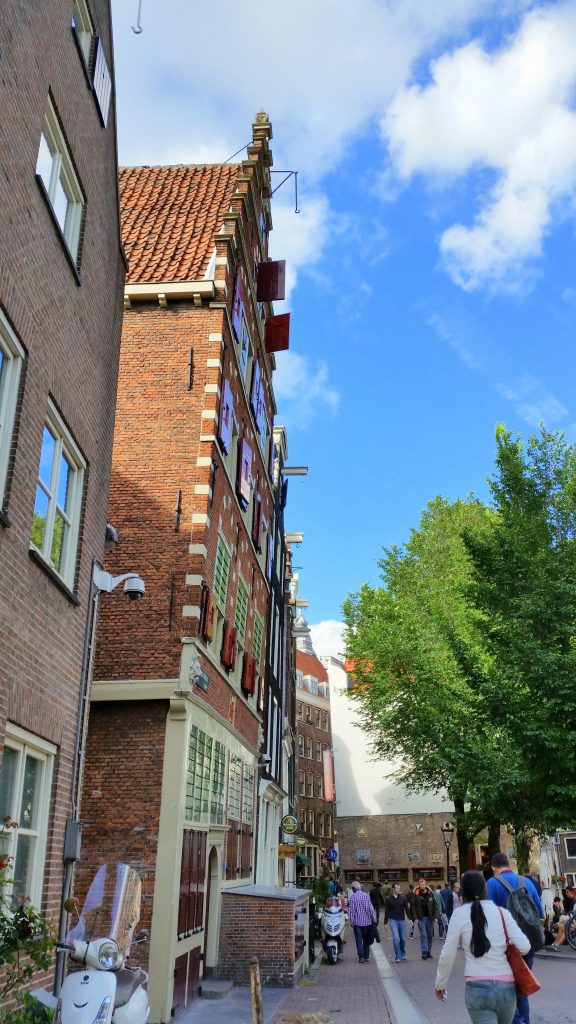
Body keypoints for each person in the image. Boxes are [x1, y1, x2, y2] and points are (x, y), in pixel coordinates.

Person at [434, 870, 530, 1024]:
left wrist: (440, 984)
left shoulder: (459, 915)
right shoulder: (502, 913)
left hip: (477, 987)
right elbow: (525, 946)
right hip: (506, 987)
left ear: (463, 891)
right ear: (485, 889)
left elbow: (448, 954)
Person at [486, 853, 544, 1024]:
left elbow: (489, 916)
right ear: (509, 864)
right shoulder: (527, 882)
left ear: (494, 868)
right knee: (522, 989)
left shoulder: (492, 883)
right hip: (528, 943)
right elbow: (539, 913)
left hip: (506, 947)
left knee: (506, 991)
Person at [348, 880, 377, 963]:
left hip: (357, 923)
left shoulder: (353, 897)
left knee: (358, 939)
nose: (352, 890)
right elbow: (370, 907)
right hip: (367, 922)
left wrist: (351, 921)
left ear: (354, 888)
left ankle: (361, 957)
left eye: (352, 889)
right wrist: (373, 917)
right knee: (366, 939)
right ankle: (366, 956)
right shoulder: (366, 896)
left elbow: (352, 910)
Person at [384, 883, 410, 963]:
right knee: (396, 938)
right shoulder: (389, 899)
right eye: (397, 888)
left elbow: (407, 909)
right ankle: (398, 956)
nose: (399, 889)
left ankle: (403, 952)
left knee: (402, 939)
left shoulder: (403, 898)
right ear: (393, 889)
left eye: (399, 888)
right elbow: (387, 912)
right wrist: (385, 923)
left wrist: (410, 919)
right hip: (393, 920)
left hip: (402, 920)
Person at [414, 877, 438, 959]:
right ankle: (424, 952)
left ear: (425, 884)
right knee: (423, 935)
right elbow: (413, 907)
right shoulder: (416, 894)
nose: (422, 885)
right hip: (421, 918)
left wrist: (435, 917)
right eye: (420, 884)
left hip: (429, 918)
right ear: (419, 885)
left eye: (423, 884)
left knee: (429, 935)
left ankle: (428, 952)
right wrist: (415, 918)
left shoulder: (430, 894)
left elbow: (435, 905)